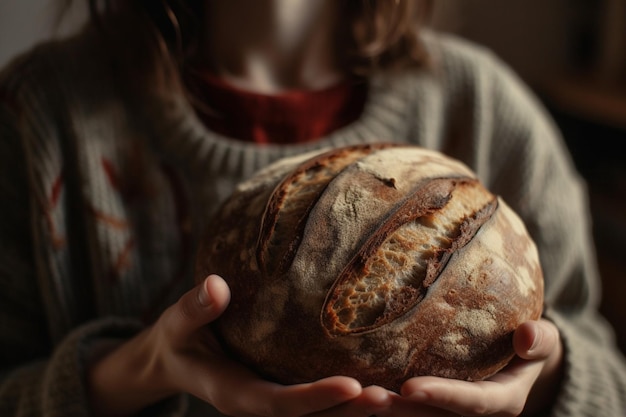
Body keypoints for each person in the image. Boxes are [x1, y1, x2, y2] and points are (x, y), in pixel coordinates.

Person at [0, 0, 624, 416]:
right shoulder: (41, 116)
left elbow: (606, 375)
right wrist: (139, 369)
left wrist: (543, 378)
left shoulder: (483, 105)